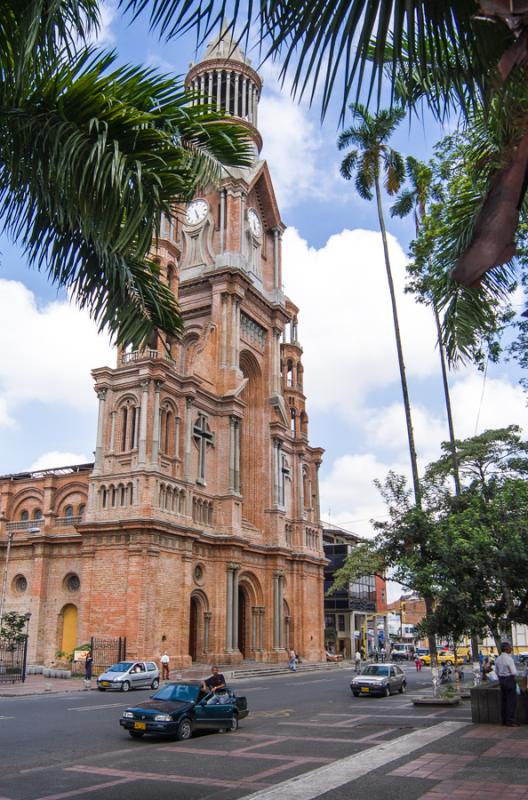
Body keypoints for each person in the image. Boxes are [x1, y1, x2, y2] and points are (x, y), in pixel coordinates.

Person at [495, 642, 519, 726]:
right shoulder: (509, 659)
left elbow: (496, 672)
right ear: (506, 649)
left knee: (504, 701)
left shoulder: (497, 659)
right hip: (509, 680)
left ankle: (504, 720)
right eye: (509, 647)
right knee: (511, 701)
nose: (511, 649)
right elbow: (514, 672)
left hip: (502, 680)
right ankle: (510, 721)